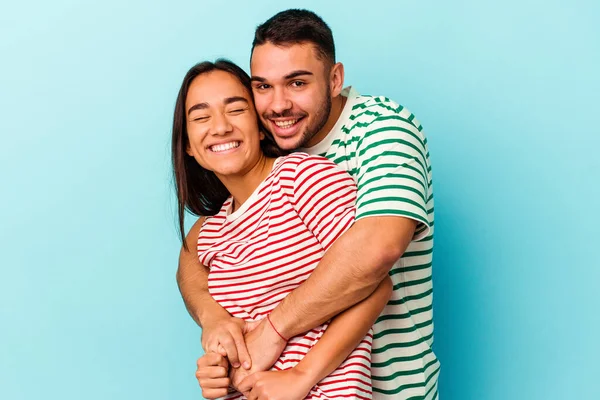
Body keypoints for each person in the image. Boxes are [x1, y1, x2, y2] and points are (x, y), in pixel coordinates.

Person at [179, 9, 439, 399]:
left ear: (335, 79)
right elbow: (195, 261)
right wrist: (215, 326)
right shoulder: (248, 189)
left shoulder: (378, 130)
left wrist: (276, 335)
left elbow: (376, 255)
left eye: (297, 83)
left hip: (389, 388)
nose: (279, 105)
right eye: (263, 87)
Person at [172, 59, 393, 399]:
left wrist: (301, 376)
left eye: (235, 110)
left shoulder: (301, 178)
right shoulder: (210, 232)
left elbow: (374, 285)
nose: (219, 127)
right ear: (188, 144)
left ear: (260, 125)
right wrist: (218, 369)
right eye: (201, 117)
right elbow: (238, 333)